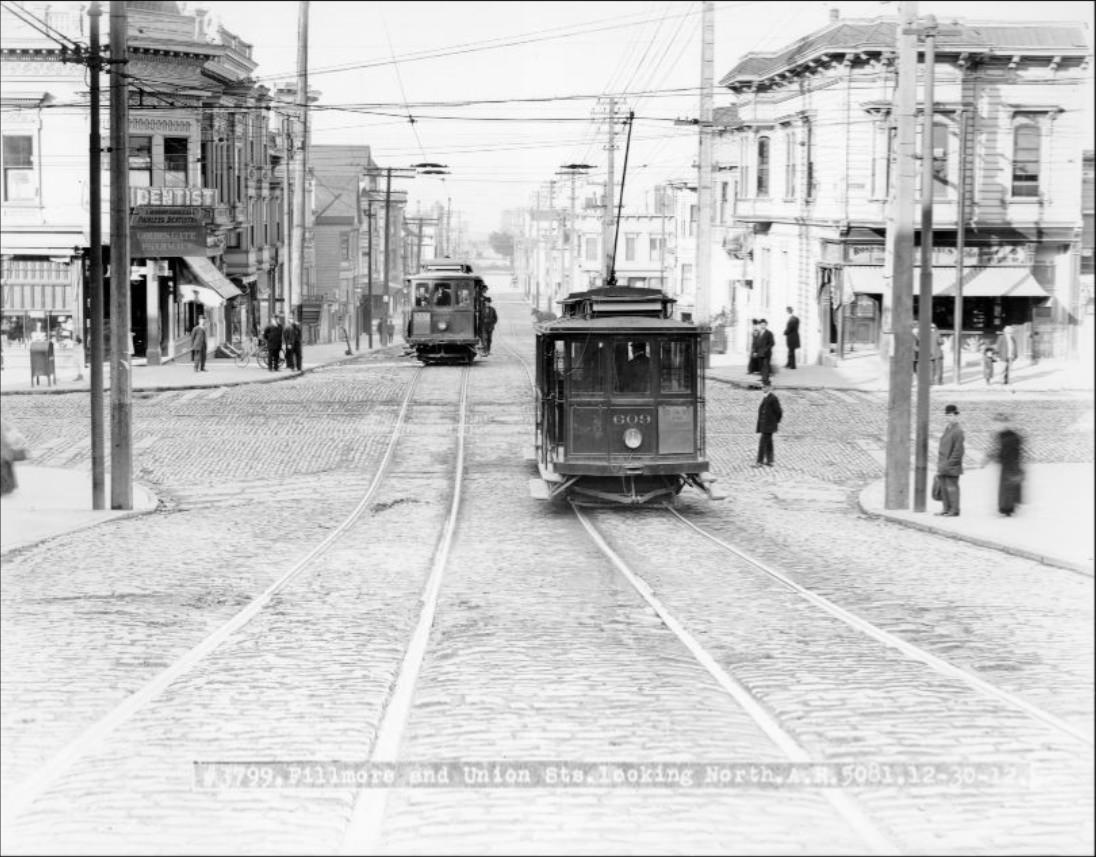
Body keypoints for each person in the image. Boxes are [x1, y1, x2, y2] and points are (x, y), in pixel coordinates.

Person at [986, 412, 1024, 517]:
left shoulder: (1011, 437)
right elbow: (999, 449)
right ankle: (1006, 507)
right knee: (1006, 487)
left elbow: (1010, 451)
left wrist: (998, 457)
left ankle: (1007, 508)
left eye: (998, 423)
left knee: (1007, 487)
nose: (996, 426)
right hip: (1007, 464)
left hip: (1010, 464)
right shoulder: (1002, 435)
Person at [935, 403, 965, 517]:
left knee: (952, 488)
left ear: (957, 416)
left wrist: (950, 463)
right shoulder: (948, 429)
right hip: (943, 464)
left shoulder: (958, 431)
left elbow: (958, 451)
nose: (950, 418)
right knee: (944, 488)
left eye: (953, 415)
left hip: (951, 465)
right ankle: (946, 508)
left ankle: (954, 510)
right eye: (948, 415)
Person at [753, 380, 783, 468]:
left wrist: (775, 422)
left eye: (765, 387)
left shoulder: (773, 398)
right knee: (768, 442)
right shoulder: (766, 397)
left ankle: (759, 462)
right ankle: (770, 461)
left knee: (762, 443)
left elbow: (779, 412)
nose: (763, 388)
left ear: (770, 387)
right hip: (765, 425)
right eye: (762, 387)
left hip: (768, 425)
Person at [754, 318, 775, 384]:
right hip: (760, 353)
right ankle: (764, 378)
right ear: (760, 325)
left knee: (765, 366)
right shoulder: (759, 333)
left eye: (764, 325)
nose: (763, 326)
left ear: (766, 325)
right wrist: (755, 351)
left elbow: (772, 343)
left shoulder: (769, 333)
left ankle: (765, 380)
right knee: (761, 366)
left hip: (766, 353)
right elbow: (756, 343)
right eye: (762, 325)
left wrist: (766, 349)